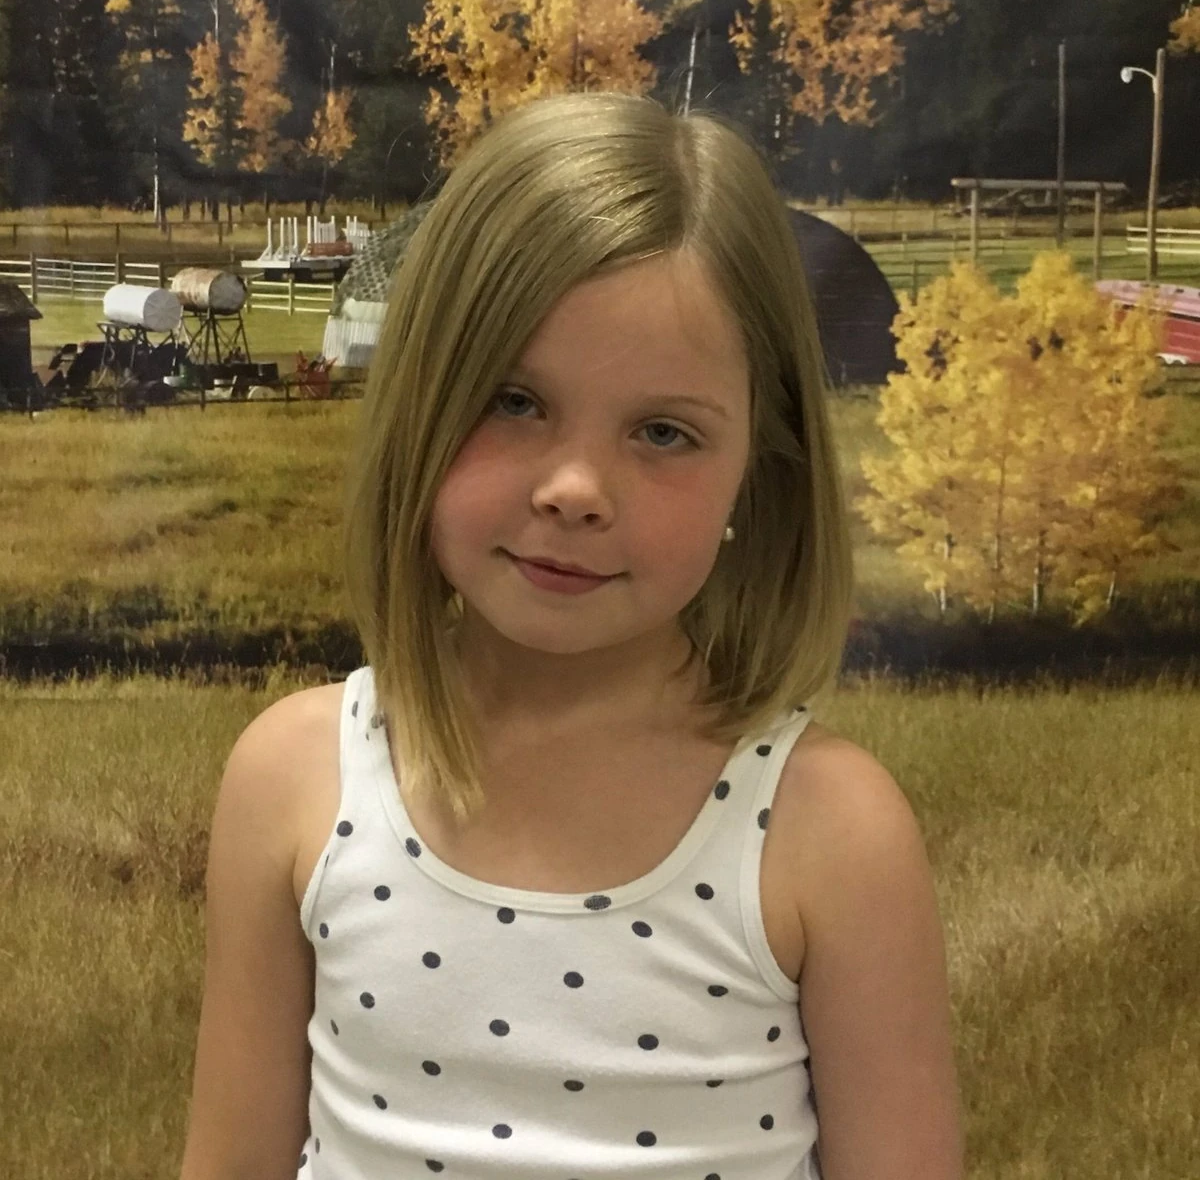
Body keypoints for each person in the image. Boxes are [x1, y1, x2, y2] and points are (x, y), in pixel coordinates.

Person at [179, 91, 964, 1180]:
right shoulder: (294, 776)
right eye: (514, 401)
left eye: (664, 432)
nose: (577, 488)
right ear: (418, 406)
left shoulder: (832, 832)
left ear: (758, 471)